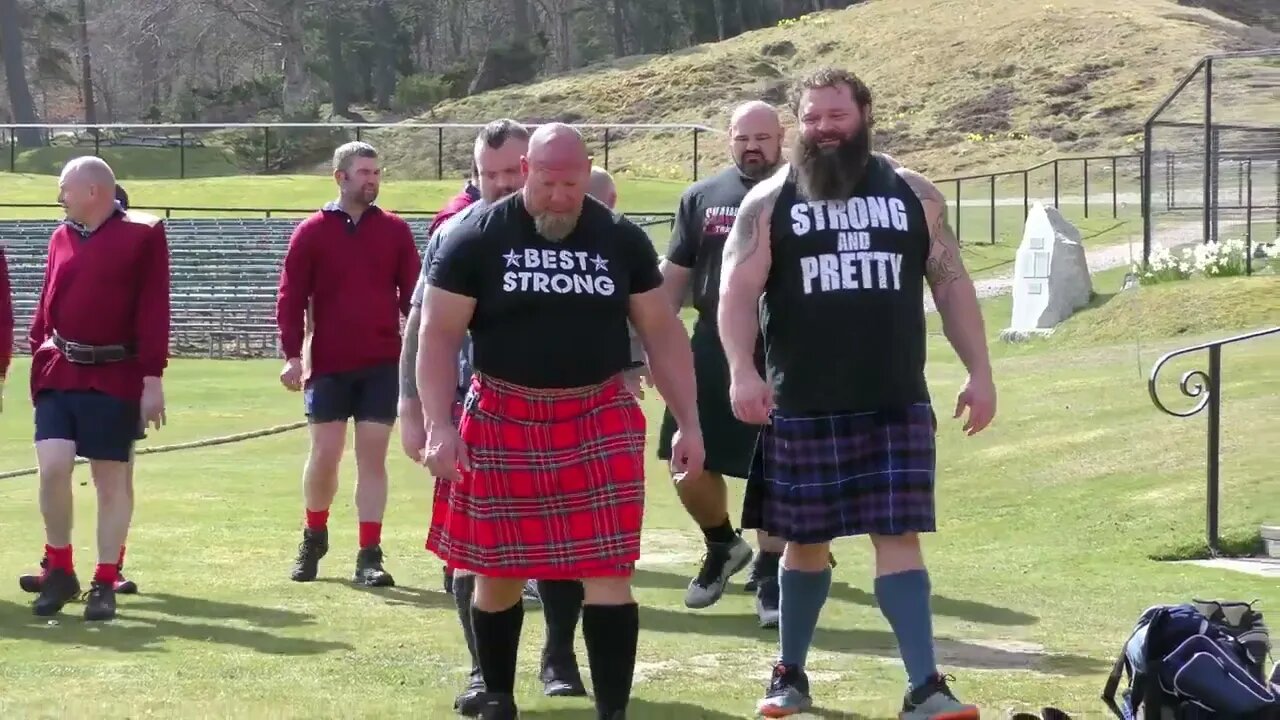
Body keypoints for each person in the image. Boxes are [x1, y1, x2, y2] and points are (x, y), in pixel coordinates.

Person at [718, 67, 995, 718]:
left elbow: (951, 284)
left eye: (836, 116)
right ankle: (788, 675)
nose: (823, 129)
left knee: (897, 533)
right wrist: (741, 369)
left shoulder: (913, 195)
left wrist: (979, 370)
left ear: (866, 115)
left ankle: (924, 687)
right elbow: (734, 290)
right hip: (804, 401)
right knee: (804, 543)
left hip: (894, 397)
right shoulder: (770, 202)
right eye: (812, 118)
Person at [418, 123, 704, 720]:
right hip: (503, 411)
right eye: (547, 183)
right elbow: (438, 336)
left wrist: (689, 421)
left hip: (596, 413)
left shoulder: (618, 239)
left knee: (608, 570)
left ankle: (613, 711)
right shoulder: (472, 237)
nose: (559, 197)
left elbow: (662, 332)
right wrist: (437, 426)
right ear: (525, 169)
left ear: (588, 172)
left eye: (571, 184)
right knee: (496, 572)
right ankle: (496, 692)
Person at [399, 119, 587, 715]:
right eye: (490, 174)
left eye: (513, 171)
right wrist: (415, 410)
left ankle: (559, 656)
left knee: (562, 543)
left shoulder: (571, 231)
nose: (503, 184)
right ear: (475, 175)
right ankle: (485, 669)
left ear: (531, 167)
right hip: (467, 410)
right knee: (469, 549)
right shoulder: (454, 233)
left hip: (556, 412)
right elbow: (420, 331)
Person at [655, 100, 797, 625]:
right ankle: (722, 544)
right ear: (728, 139)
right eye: (742, 137)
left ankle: (770, 569)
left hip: (785, 348)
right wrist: (649, 342)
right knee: (686, 461)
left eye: (762, 136)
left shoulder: (805, 191)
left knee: (781, 466)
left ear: (781, 138)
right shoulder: (701, 196)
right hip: (711, 347)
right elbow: (675, 276)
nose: (752, 146)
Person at [20, 156, 170, 622]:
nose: (59, 196)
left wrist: (152, 378)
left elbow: (154, 308)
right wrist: (36, 348)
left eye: (64, 188)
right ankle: (60, 567)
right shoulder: (60, 236)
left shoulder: (142, 236)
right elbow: (48, 301)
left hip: (115, 373)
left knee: (109, 480)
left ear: (92, 191)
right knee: (53, 468)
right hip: (59, 368)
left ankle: (105, 578)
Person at [276, 141, 421, 586]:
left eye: (376, 172)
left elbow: (415, 300)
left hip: (381, 364)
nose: (372, 180)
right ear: (340, 177)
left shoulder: (395, 230)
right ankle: (314, 535)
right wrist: (292, 356)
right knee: (325, 455)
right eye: (363, 172)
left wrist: (419, 356)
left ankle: (369, 555)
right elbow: (290, 298)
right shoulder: (312, 232)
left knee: (372, 458)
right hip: (330, 365)